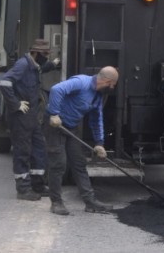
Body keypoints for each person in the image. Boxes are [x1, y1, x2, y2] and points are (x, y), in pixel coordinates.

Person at [44, 66, 118, 215]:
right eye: (113, 84)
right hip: (56, 125)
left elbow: (97, 119)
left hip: (71, 128)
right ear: (108, 81)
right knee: (59, 164)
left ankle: (90, 202)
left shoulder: (97, 96)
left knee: (79, 164)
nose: (113, 88)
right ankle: (56, 202)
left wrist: (99, 143)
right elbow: (56, 90)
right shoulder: (81, 82)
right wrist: (54, 113)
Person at [0, 39, 59, 201]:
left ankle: (37, 185)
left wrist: (53, 64)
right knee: (22, 151)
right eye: (44, 54)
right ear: (36, 53)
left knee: (39, 148)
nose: (46, 57)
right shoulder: (23, 65)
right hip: (20, 117)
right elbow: (4, 83)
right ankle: (23, 189)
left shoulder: (34, 65)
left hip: (31, 116)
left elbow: (41, 69)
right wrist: (16, 104)